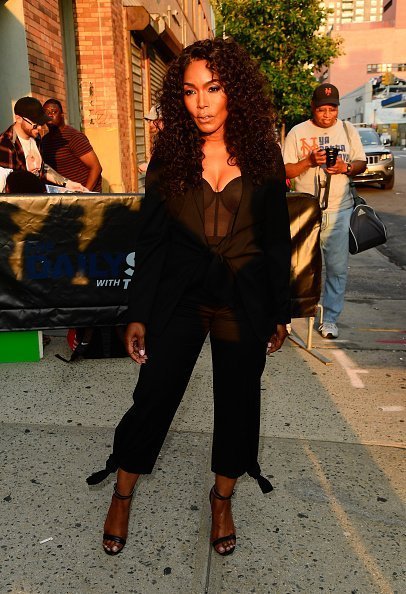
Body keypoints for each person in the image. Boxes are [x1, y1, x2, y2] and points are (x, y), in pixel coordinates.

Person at [87, 38, 292, 557]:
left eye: (213, 89)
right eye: (189, 91)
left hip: (243, 300)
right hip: (180, 298)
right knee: (153, 397)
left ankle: (222, 497)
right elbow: (151, 241)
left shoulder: (263, 153)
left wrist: (279, 310)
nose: (201, 102)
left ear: (233, 92)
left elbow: (274, 240)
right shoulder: (172, 154)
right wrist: (138, 312)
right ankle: (123, 490)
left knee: (239, 404)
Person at [283, 83, 366, 339]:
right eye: (322, 109)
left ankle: (329, 319)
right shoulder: (297, 132)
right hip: (305, 211)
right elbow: (285, 171)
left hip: (339, 210)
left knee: (337, 268)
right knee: (295, 267)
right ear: (313, 107)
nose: (327, 114)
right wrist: (308, 161)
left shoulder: (347, 129)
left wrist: (346, 167)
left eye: (332, 109)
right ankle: (285, 317)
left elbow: (361, 164)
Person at [0, 97, 88, 192]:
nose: (39, 128)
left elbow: (42, 168)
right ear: (19, 119)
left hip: (39, 198)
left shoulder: (36, 137)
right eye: (35, 125)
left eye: (41, 123)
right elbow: (8, 188)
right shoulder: (5, 144)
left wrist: (67, 183)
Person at [42, 99, 102, 192]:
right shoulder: (44, 141)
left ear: (62, 115)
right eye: (46, 112)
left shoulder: (73, 137)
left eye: (54, 112)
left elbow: (96, 167)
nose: (50, 115)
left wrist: (85, 193)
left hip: (82, 197)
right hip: (62, 198)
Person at [138, 105, 163, 173]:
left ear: (161, 121)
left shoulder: (172, 140)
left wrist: (149, 167)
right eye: (149, 121)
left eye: (152, 120)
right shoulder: (161, 139)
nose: (150, 124)